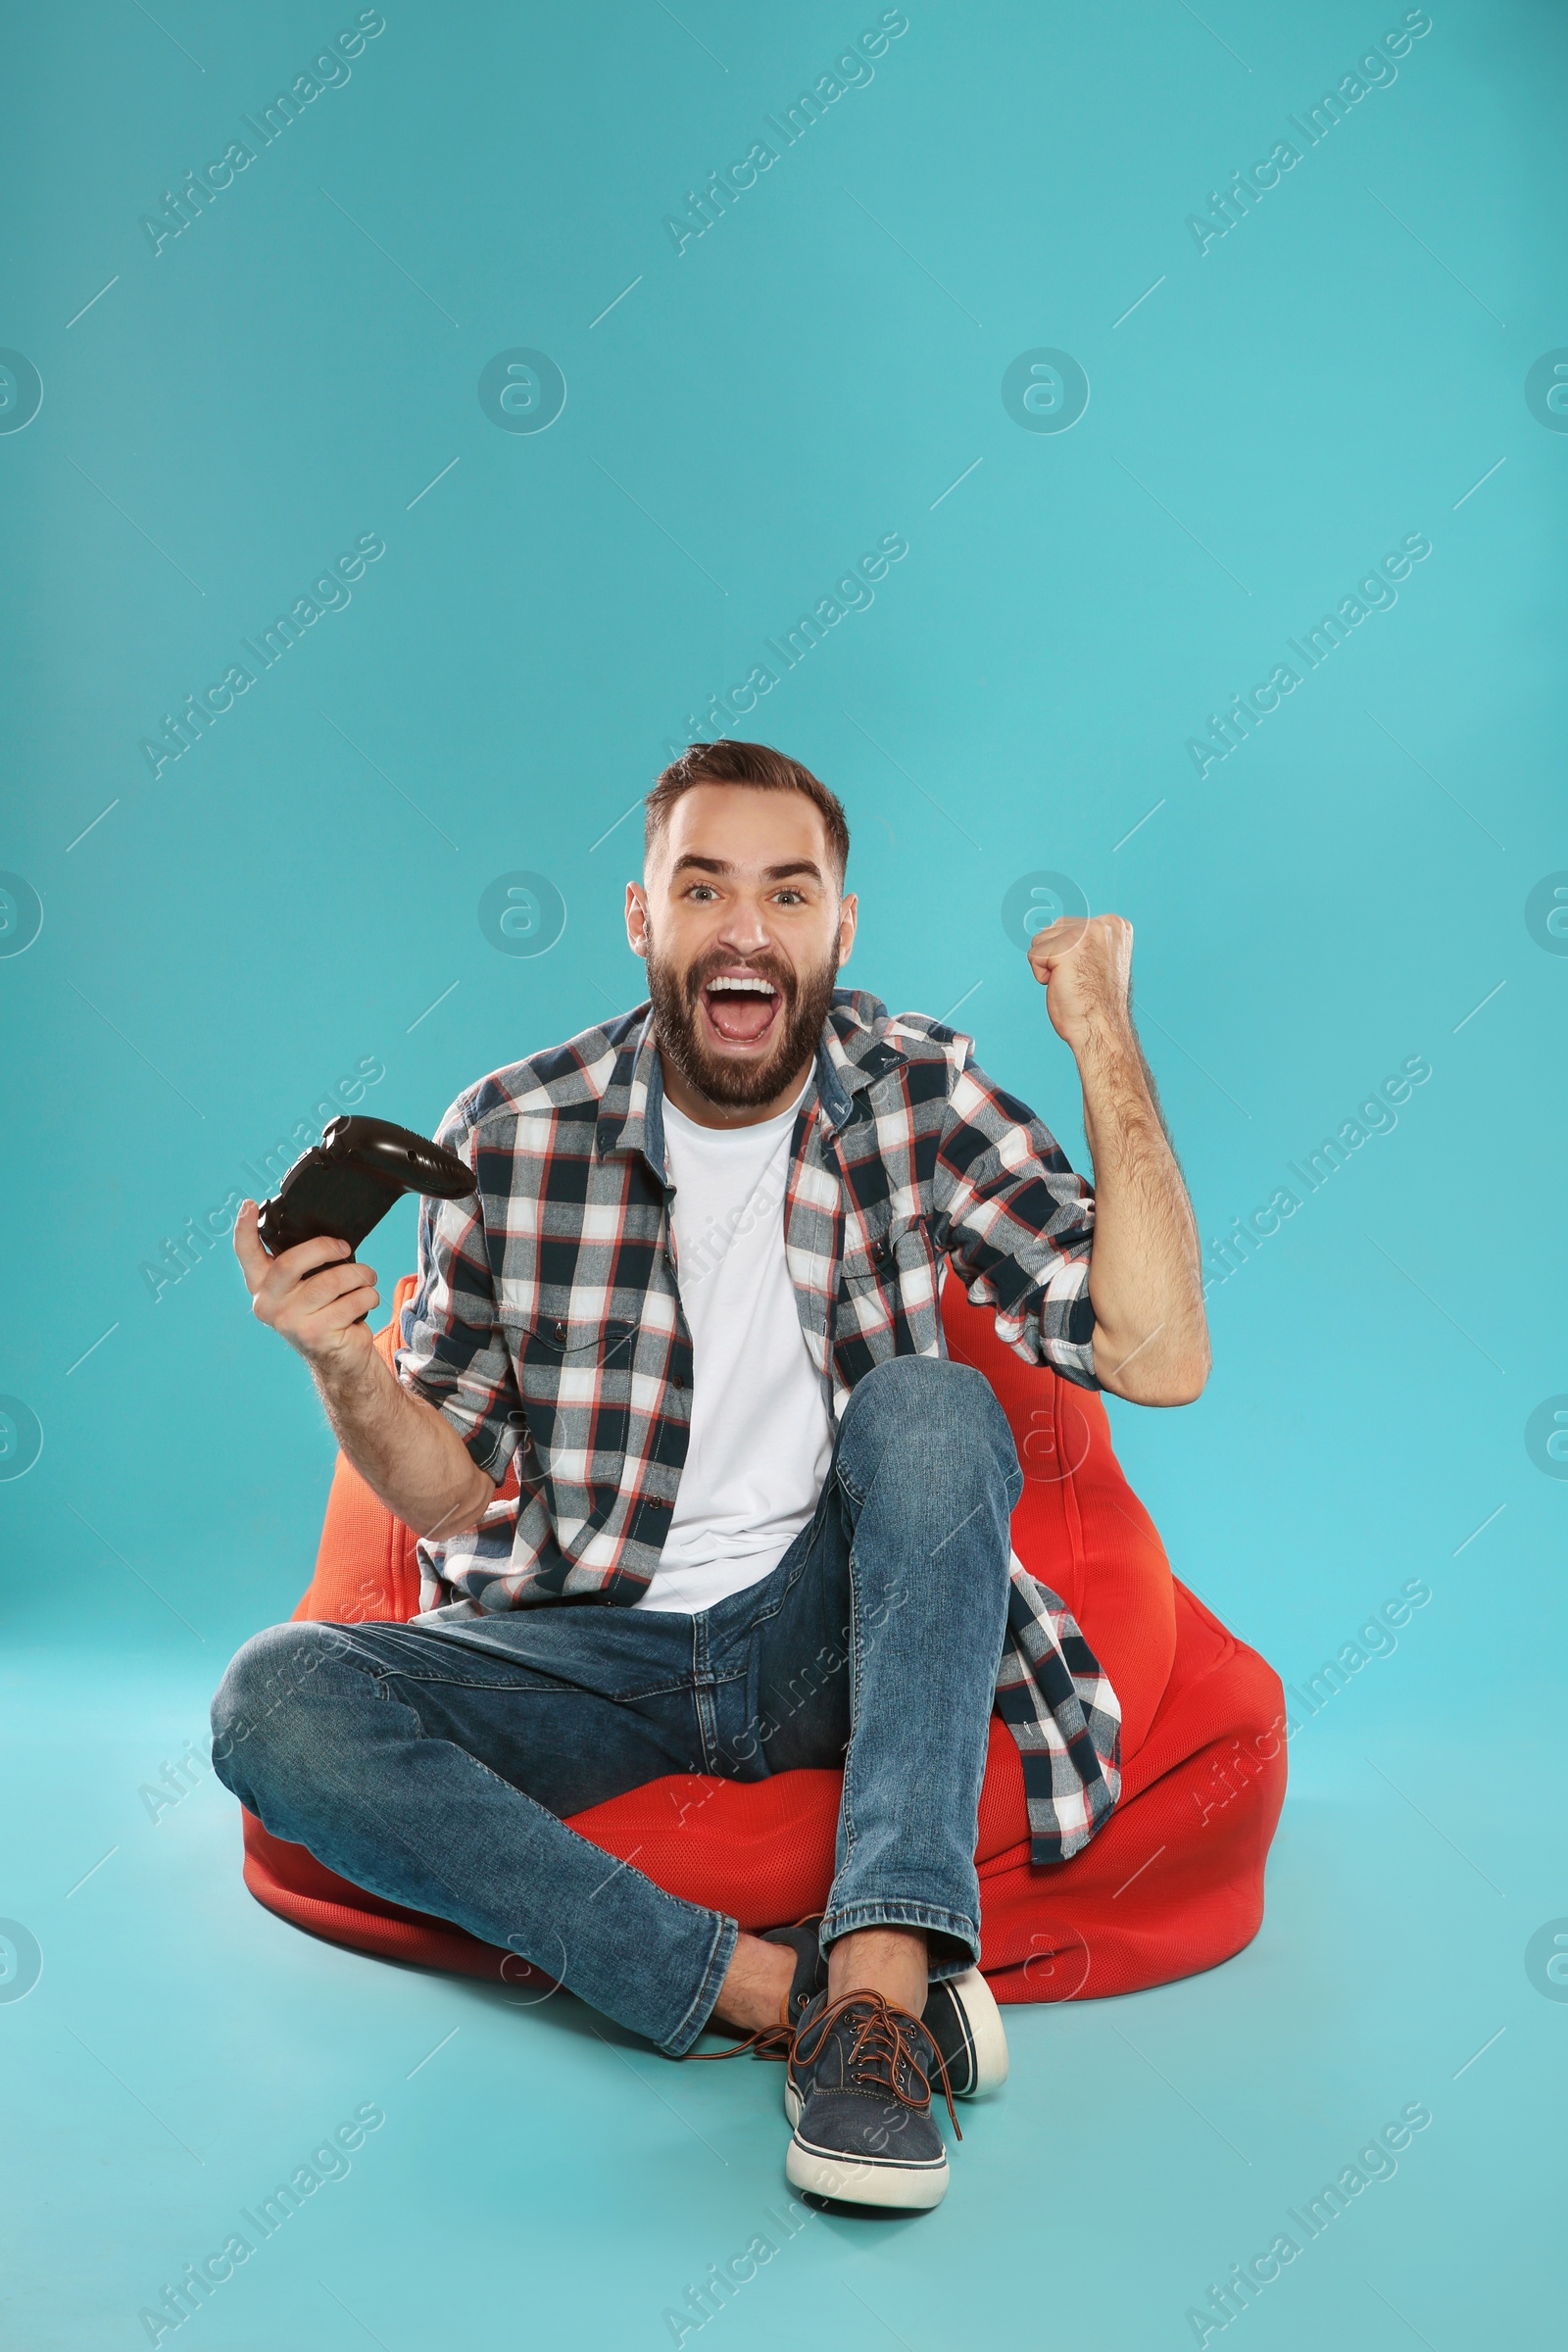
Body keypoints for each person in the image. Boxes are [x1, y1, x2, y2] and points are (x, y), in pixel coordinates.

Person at [214, 738, 1208, 2210]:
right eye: (706, 886)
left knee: (933, 1403)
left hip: (822, 1633)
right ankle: (766, 1992)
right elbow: (438, 1500)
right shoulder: (510, 1131)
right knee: (270, 1702)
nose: (747, 927)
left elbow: (1158, 1352)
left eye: (788, 893)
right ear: (645, 919)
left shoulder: (912, 1088)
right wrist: (344, 1362)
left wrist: (1105, 1039)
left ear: (837, 930)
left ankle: (876, 1991)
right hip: (578, 1649)